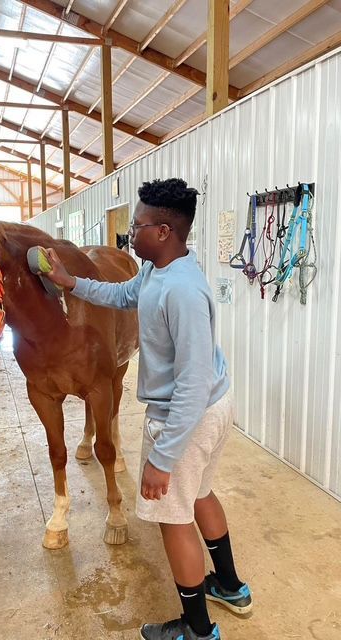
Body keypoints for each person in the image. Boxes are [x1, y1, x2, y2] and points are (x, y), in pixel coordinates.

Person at [42, 178, 252, 640]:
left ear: (162, 231)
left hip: (187, 416)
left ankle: (197, 630)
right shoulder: (157, 271)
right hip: (211, 407)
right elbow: (121, 297)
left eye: (135, 226)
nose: (128, 235)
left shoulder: (182, 292)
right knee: (199, 494)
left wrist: (162, 456)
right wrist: (70, 282)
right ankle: (231, 587)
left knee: (173, 522)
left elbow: (192, 385)